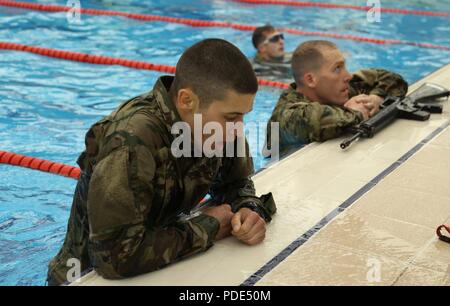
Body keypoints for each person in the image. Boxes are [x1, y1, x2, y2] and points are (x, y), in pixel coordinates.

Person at [47, 39, 276, 286]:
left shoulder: (217, 127)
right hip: (83, 277)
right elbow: (114, 258)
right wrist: (208, 226)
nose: (238, 129)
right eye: (232, 117)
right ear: (187, 100)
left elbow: (236, 185)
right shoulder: (132, 141)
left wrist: (248, 211)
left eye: (243, 116)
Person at [265, 40, 408, 156]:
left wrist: (375, 98)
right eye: (337, 68)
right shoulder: (285, 115)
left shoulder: (339, 89)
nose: (348, 76)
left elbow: (392, 79)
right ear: (310, 80)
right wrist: (357, 112)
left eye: (344, 66)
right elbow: (316, 120)